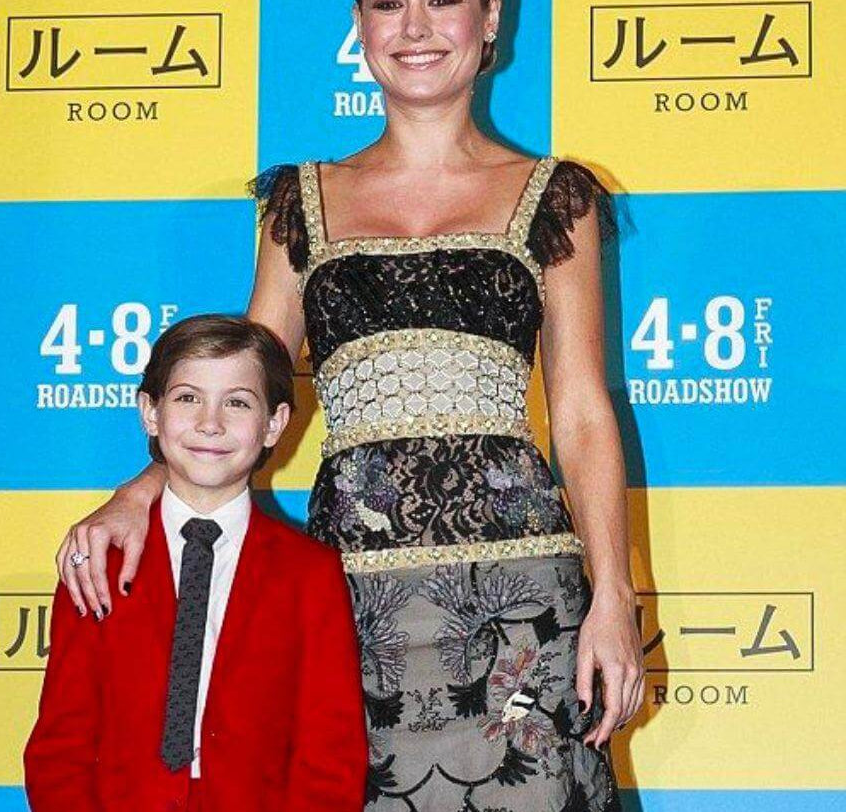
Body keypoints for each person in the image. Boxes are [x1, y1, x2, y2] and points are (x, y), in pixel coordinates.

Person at [56, 1, 645, 809]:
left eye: (442, 1)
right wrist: (136, 493)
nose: (415, 27)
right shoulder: (300, 203)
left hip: (523, 603)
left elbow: (580, 413)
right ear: (360, 29)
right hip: (353, 601)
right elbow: (240, 388)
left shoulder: (555, 198)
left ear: (490, 21)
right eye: (387, 5)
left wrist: (612, 597)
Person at [25, 315, 368, 812]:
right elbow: (60, 748)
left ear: (274, 424)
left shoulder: (309, 575)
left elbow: (330, 757)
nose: (211, 422)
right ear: (150, 412)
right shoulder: (97, 560)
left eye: (237, 402)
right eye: (188, 398)